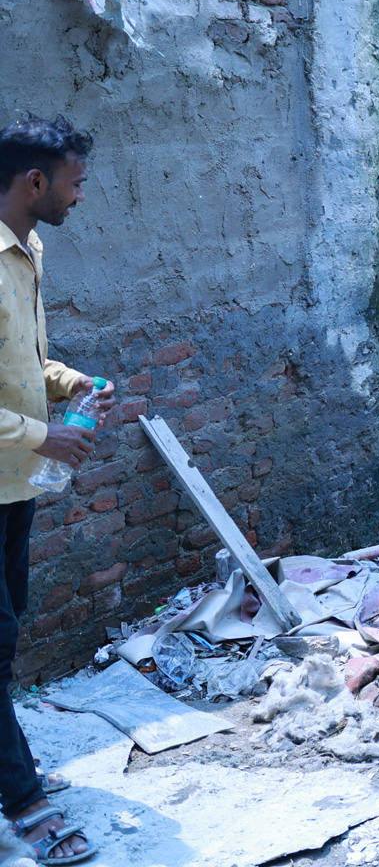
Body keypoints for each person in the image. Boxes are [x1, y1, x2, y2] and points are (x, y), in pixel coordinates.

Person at [0, 115, 111, 866]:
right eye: (74, 182)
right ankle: (26, 800)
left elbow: (18, 364)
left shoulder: (27, 250)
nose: (79, 197)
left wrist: (66, 381)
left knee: (7, 638)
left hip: (13, 487)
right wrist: (45, 436)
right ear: (35, 182)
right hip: (14, 465)